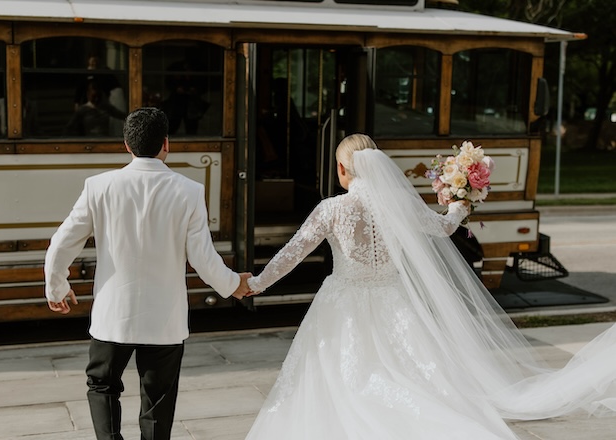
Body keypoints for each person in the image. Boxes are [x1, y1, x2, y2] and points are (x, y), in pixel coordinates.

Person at [243, 133, 616, 439]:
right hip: (394, 299)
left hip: (343, 301)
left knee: (342, 371)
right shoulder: (399, 206)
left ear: (342, 169)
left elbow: (292, 254)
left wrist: (256, 283)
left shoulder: (331, 209)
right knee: (413, 370)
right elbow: (444, 227)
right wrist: (461, 200)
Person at [44, 107, 251, 440]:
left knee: (102, 384)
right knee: (158, 399)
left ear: (126, 144)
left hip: (113, 315)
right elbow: (203, 258)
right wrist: (233, 285)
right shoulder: (189, 191)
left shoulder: (99, 187)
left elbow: (61, 244)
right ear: (166, 144)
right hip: (165, 320)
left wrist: (57, 288)